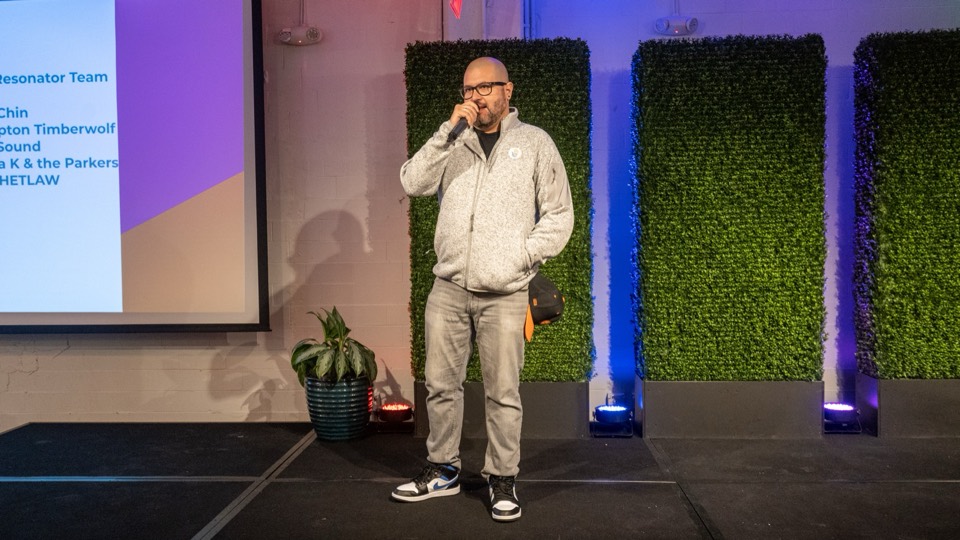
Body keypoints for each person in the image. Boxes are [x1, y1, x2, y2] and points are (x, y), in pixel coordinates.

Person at [393, 57, 574, 522]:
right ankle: (443, 471)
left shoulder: (535, 143)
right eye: (469, 89)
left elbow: (559, 215)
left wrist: (522, 257)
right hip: (449, 288)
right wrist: (446, 131)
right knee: (440, 386)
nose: (476, 97)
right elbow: (412, 182)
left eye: (486, 88)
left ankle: (502, 480)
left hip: (507, 292)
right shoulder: (452, 142)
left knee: (503, 392)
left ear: (507, 91)